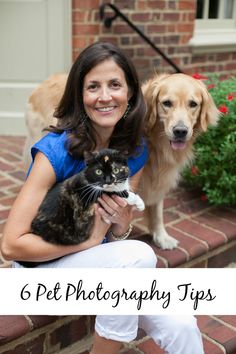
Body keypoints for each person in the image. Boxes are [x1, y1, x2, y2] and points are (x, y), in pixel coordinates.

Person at [1, 42, 204, 354]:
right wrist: (90, 243)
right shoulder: (54, 150)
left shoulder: (136, 151)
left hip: (104, 268)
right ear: (79, 96)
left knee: (183, 326)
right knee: (139, 256)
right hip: (40, 272)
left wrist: (120, 227)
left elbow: (115, 232)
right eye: (93, 86)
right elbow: (11, 245)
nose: (105, 96)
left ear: (130, 94)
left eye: (115, 85)